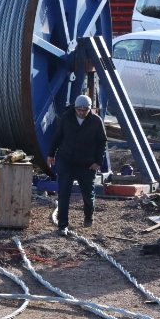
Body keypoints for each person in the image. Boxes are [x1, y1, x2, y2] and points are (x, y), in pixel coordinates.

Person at [47, 94, 107, 235]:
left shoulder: (96, 121)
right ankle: (62, 225)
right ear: (75, 108)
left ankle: (88, 216)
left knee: (88, 194)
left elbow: (102, 142)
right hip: (66, 161)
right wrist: (51, 154)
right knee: (64, 194)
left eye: (85, 110)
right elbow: (57, 136)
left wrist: (98, 162)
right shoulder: (66, 118)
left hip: (87, 164)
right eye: (79, 110)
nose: (81, 112)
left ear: (89, 109)